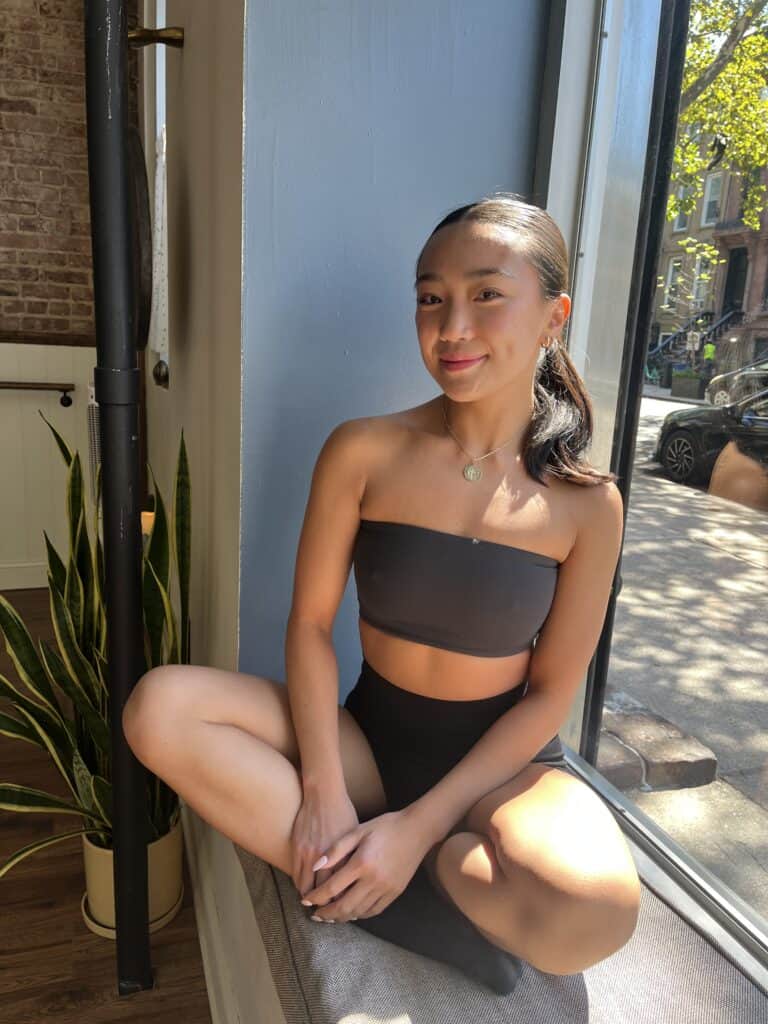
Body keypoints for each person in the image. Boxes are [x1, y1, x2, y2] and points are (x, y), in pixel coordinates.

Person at [121, 193, 641, 993]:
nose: (451, 326)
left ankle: (410, 867)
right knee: (157, 707)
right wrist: (325, 791)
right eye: (431, 298)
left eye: (486, 294)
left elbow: (549, 696)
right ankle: (395, 888)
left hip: (501, 770)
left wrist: (419, 828)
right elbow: (310, 626)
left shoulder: (586, 504)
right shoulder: (364, 450)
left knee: (597, 913)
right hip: (369, 741)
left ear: (553, 315)